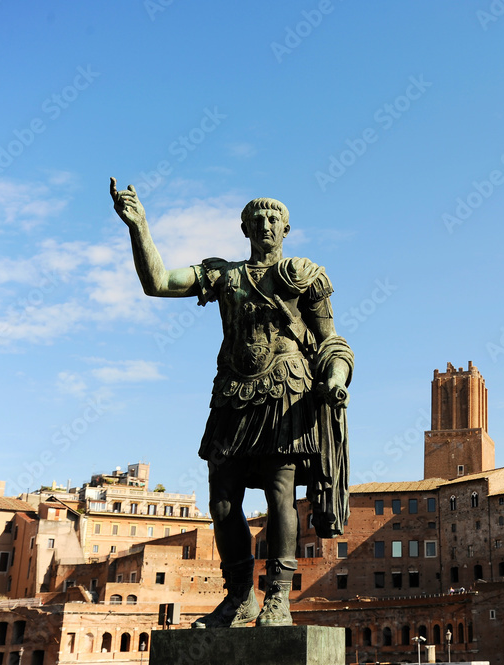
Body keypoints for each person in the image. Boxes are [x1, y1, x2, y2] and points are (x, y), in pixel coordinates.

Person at [110, 178, 352, 628]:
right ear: (244, 229)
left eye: (272, 219)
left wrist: (335, 378)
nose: (264, 224)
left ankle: (278, 595)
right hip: (232, 396)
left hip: (284, 391)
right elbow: (158, 282)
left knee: (282, 492)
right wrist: (139, 227)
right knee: (222, 500)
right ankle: (240, 596)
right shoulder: (223, 274)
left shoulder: (304, 275)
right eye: (255, 219)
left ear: (286, 229)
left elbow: (330, 341)